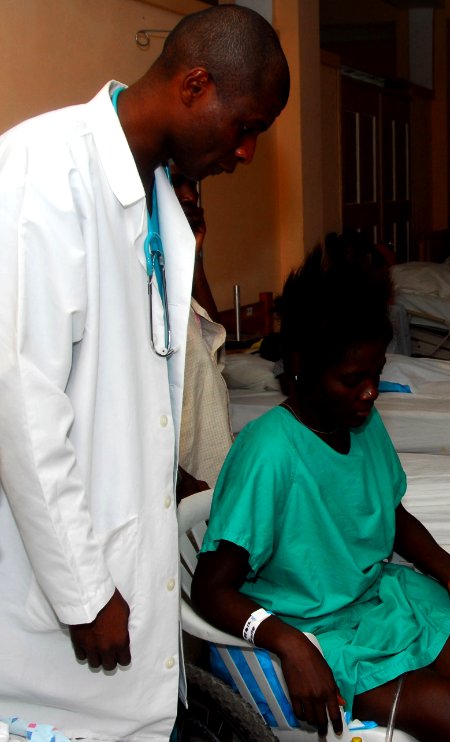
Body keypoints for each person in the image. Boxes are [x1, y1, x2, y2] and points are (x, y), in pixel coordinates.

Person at [0, 5, 289, 739]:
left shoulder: (161, 196)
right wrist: (86, 593)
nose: (248, 152)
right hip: (65, 590)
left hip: (131, 563)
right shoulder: (41, 174)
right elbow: (21, 406)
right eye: (245, 126)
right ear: (196, 84)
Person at [189, 247, 450, 741]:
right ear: (300, 365)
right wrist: (291, 643)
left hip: (378, 601)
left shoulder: (356, 422)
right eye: (353, 380)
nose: (370, 392)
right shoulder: (269, 453)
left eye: (375, 374)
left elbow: (391, 513)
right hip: (318, 630)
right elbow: (211, 589)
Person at [170, 165, 234, 503]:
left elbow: (214, 343)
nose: (189, 197)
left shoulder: (175, 271)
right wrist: (176, 476)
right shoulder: (141, 277)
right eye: (177, 187)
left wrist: (192, 255)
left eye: (191, 188)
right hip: (180, 476)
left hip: (205, 465)